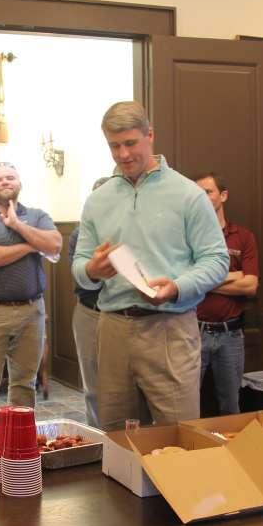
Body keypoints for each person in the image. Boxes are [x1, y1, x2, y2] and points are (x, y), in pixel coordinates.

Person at [72, 101, 229, 430]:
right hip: (113, 328)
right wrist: (92, 271)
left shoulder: (188, 194)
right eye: (114, 146)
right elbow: (79, 265)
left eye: (130, 143)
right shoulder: (98, 200)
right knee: (118, 436)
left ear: (150, 135)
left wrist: (176, 288)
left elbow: (217, 261)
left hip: (169, 329)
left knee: (179, 435)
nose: (123, 155)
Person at [0, 162, 61, 446]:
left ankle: (19, 446)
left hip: (33, 312)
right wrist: (32, 245)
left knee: (24, 385)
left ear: (19, 182)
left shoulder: (38, 215)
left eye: (10, 177)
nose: (5, 182)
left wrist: (17, 225)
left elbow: (54, 245)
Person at [194, 173, 258, 415]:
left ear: (223, 195)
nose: (203, 197)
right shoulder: (190, 236)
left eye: (208, 191)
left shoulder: (243, 236)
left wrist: (203, 281)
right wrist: (235, 275)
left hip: (231, 334)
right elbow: (186, 280)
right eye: (197, 193)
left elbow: (251, 285)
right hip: (194, 331)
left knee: (231, 405)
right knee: (187, 405)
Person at [68, 177, 110, 428]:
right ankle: (97, 438)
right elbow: (84, 279)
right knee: (93, 387)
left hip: (124, 316)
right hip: (90, 312)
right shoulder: (79, 234)